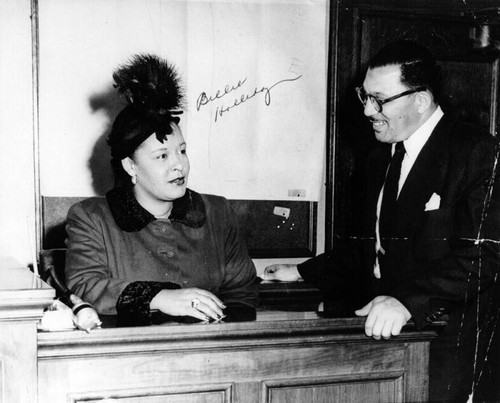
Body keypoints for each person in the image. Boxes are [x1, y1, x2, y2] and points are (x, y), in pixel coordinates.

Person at [263, 41, 500, 402]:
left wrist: (407, 303)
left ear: (420, 100)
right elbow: (367, 250)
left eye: (379, 99)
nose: (367, 110)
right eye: (364, 96)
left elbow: (485, 258)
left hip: (451, 351)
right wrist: (301, 271)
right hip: (387, 346)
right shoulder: (380, 159)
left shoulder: (478, 151)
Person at [65, 54, 258, 326]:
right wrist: (158, 298)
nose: (179, 165)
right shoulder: (91, 218)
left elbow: (242, 294)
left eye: (182, 151)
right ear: (131, 166)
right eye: (162, 156)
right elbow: (85, 285)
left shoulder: (218, 212)